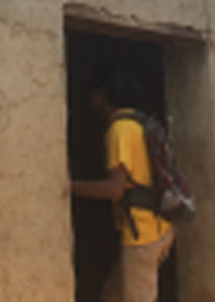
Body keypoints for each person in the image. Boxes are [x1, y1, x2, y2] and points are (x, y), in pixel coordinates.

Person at [71, 68, 174, 302]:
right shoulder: (140, 123)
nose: (91, 100)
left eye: (94, 94)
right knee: (113, 295)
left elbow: (114, 189)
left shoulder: (120, 129)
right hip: (161, 227)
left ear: (104, 95)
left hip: (142, 233)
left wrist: (69, 187)